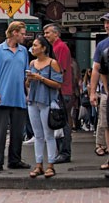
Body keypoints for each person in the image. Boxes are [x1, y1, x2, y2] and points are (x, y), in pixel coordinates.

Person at [0, 21, 31, 173]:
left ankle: (15, 160)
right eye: (23, 33)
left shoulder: (23, 51)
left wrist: (28, 94)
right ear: (14, 33)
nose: (24, 36)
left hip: (19, 97)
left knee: (18, 132)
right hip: (2, 97)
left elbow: (25, 76)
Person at [25, 35, 63, 178]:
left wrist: (41, 78)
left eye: (35, 45)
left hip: (47, 101)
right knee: (38, 135)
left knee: (49, 135)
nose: (33, 48)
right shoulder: (32, 64)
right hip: (33, 101)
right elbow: (27, 85)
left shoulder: (52, 63)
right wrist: (29, 80)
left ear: (44, 48)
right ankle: (39, 164)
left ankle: (51, 165)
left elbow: (58, 84)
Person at [43, 23, 73, 164]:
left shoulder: (60, 47)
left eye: (48, 32)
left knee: (62, 122)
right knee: (59, 121)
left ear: (56, 33)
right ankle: (61, 151)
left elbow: (59, 70)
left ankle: (64, 152)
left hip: (62, 90)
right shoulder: (56, 47)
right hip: (61, 89)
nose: (45, 35)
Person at [89, 13, 109, 178]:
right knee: (105, 124)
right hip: (106, 93)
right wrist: (92, 91)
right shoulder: (102, 45)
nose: (107, 26)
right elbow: (96, 69)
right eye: (106, 23)